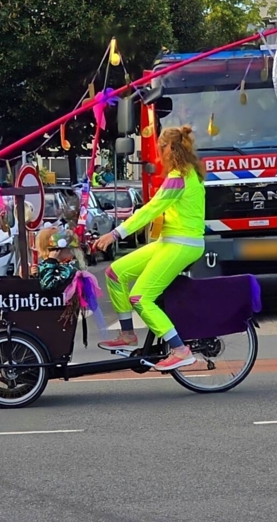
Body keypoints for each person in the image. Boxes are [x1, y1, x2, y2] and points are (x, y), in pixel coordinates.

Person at [93, 126, 206, 372]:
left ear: (171, 149)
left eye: (161, 148)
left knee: (140, 297)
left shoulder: (179, 177)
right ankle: (127, 334)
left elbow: (150, 209)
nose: (159, 154)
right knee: (114, 273)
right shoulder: (186, 173)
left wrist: (115, 234)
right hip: (170, 241)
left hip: (183, 244)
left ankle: (181, 351)